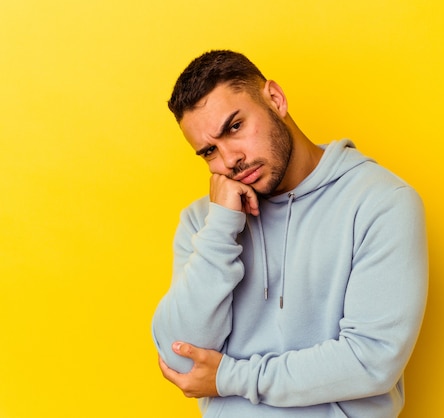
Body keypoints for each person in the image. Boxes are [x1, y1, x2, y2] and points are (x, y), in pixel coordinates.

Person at [152, 49, 428, 418]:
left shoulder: (380, 202)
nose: (229, 159)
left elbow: (370, 361)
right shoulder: (204, 222)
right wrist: (221, 228)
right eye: (209, 152)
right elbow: (181, 360)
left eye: (235, 127)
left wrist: (230, 377)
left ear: (275, 99)